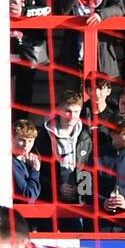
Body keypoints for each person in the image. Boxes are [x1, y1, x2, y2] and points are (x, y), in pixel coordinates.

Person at [56, 0, 125, 87]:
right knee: (73, 98)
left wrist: (101, 15)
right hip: (74, 51)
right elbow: (61, 11)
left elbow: (120, 8)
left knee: (101, 96)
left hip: (101, 50)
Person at [33, 90, 93, 233]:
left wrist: (78, 188)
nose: (72, 117)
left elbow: (89, 168)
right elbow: (35, 170)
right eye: (68, 111)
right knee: (47, 247)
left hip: (76, 202)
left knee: (76, 247)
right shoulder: (42, 136)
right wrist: (57, 187)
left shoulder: (86, 136)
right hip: (48, 201)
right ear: (58, 110)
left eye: (77, 112)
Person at [7, 0, 49, 112]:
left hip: (28, 45)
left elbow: (46, 9)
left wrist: (23, 12)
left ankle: (21, 122)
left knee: (25, 86)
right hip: (3, 44)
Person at [96, 114, 125, 232]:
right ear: (113, 134)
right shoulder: (96, 156)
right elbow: (85, 190)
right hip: (100, 225)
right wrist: (102, 202)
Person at [11, 117, 42, 205]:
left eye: (30, 141)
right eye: (22, 140)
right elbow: (28, 196)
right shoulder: (11, 163)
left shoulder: (28, 160)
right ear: (13, 138)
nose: (26, 145)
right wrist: (35, 171)